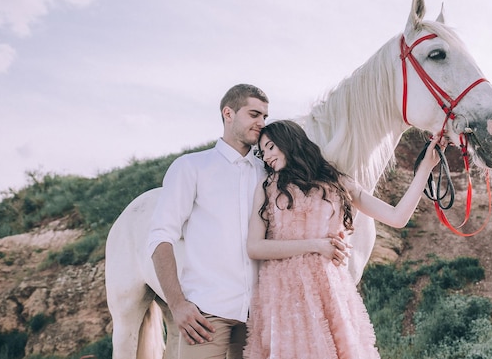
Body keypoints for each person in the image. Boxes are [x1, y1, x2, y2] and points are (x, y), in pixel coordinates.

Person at [244, 120, 446, 359]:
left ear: (289, 141)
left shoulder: (335, 181)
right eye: (262, 151)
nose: (266, 156)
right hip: (285, 293)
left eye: (270, 147)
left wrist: (425, 168)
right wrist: (316, 245)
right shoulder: (267, 188)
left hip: (329, 289)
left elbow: (397, 217)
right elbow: (255, 247)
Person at [148, 84, 303, 359]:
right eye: (254, 114)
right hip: (206, 315)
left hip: (259, 316)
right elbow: (161, 236)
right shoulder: (191, 167)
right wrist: (177, 304)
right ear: (228, 113)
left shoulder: (269, 174)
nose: (262, 123)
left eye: (265, 117)